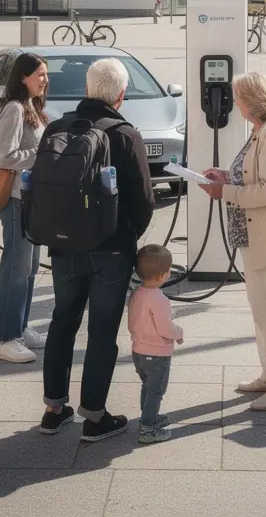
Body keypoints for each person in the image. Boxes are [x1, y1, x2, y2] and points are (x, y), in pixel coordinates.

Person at [40, 57, 155, 443]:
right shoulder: (125, 134)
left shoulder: (56, 128)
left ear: (87, 88)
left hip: (63, 247)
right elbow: (144, 201)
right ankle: (95, 416)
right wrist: (126, 238)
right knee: (102, 331)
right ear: (121, 95)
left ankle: (54, 409)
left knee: (62, 323)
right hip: (111, 251)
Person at [201, 71, 266, 412]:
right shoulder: (262, 130)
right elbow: (252, 175)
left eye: (238, 97)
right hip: (255, 231)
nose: (234, 102)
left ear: (252, 100)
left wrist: (225, 191)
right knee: (261, 309)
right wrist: (225, 176)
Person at [0, 52, 50, 363]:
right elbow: (3, 157)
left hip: (31, 199)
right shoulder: (14, 109)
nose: (45, 79)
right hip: (15, 200)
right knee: (15, 269)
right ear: (23, 77)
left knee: (29, 269)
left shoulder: (33, 107)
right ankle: (5, 337)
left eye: (45, 74)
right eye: (40, 74)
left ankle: (21, 327)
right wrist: (40, 154)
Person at [127, 244, 184, 445]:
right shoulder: (159, 299)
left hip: (138, 351)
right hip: (157, 354)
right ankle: (148, 428)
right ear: (162, 275)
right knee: (156, 391)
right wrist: (178, 333)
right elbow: (165, 329)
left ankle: (148, 416)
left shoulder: (136, 293)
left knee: (147, 387)